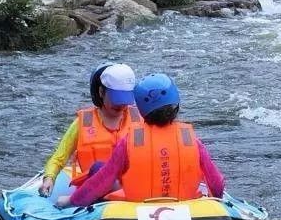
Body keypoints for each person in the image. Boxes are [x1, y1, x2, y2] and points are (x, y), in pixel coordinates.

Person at [56, 74, 225, 208]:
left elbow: (103, 180)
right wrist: (217, 202)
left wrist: (72, 201)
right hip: (184, 206)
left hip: (136, 208)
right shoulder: (193, 140)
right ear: (176, 105)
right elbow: (216, 182)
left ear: (142, 111)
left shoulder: (129, 141)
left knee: (99, 172)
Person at [39, 63, 141, 197]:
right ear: (101, 92)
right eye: (116, 98)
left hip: (132, 190)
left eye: (124, 99)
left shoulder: (139, 120)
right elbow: (59, 157)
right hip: (94, 193)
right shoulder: (83, 122)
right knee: (98, 168)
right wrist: (49, 178)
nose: (121, 104)